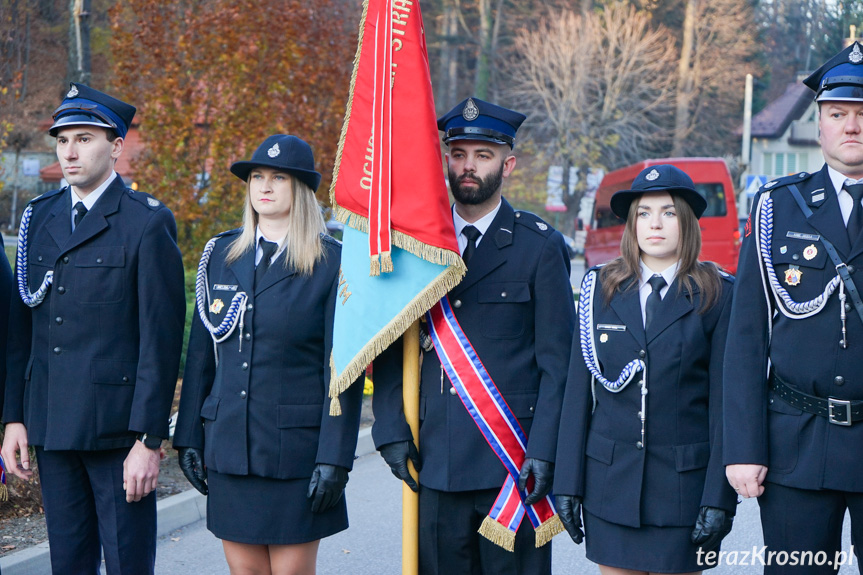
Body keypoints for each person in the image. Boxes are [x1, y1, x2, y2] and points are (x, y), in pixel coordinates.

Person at [371, 97, 575, 575]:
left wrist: (546, 450)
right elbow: (384, 343)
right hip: (434, 457)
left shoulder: (540, 246)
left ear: (508, 163)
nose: (468, 166)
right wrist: (389, 430)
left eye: (483, 155)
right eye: (459, 153)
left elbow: (558, 365)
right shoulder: (415, 245)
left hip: (511, 463)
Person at [1, 83, 186, 574]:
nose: (70, 151)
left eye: (84, 139)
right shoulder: (40, 218)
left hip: (116, 432)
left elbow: (160, 341)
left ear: (116, 146)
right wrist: (14, 417)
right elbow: (24, 331)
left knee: (127, 564)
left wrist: (148, 441)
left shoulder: (146, 222)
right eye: (62, 140)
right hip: (54, 423)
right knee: (69, 564)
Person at [173, 134, 363, 575]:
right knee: (245, 572)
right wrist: (188, 437)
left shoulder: (331, 262)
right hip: (230, 447)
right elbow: (201, 357)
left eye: (279, 177)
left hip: (296, 451)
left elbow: (341, 369)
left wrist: (335, 457)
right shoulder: (220, 255)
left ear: (300, 189)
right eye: (258, 176)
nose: (265, 186)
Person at [554, 165, 736, 575]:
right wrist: (567, 482)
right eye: (643, 213)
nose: (655, 224)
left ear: (686, 223)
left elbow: (725, 406)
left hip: (682, 493)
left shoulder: (718, 294)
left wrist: (718, 498)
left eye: (669, 212)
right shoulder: (599, 289)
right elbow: (576, 395)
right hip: (610, 487)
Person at [725, 41, 863, 573]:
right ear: (820, 125)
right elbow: (745, 340)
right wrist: (743, 447)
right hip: (797, 443)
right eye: (837, 114)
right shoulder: (777, 207)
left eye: (860, 114)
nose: (850, 125)